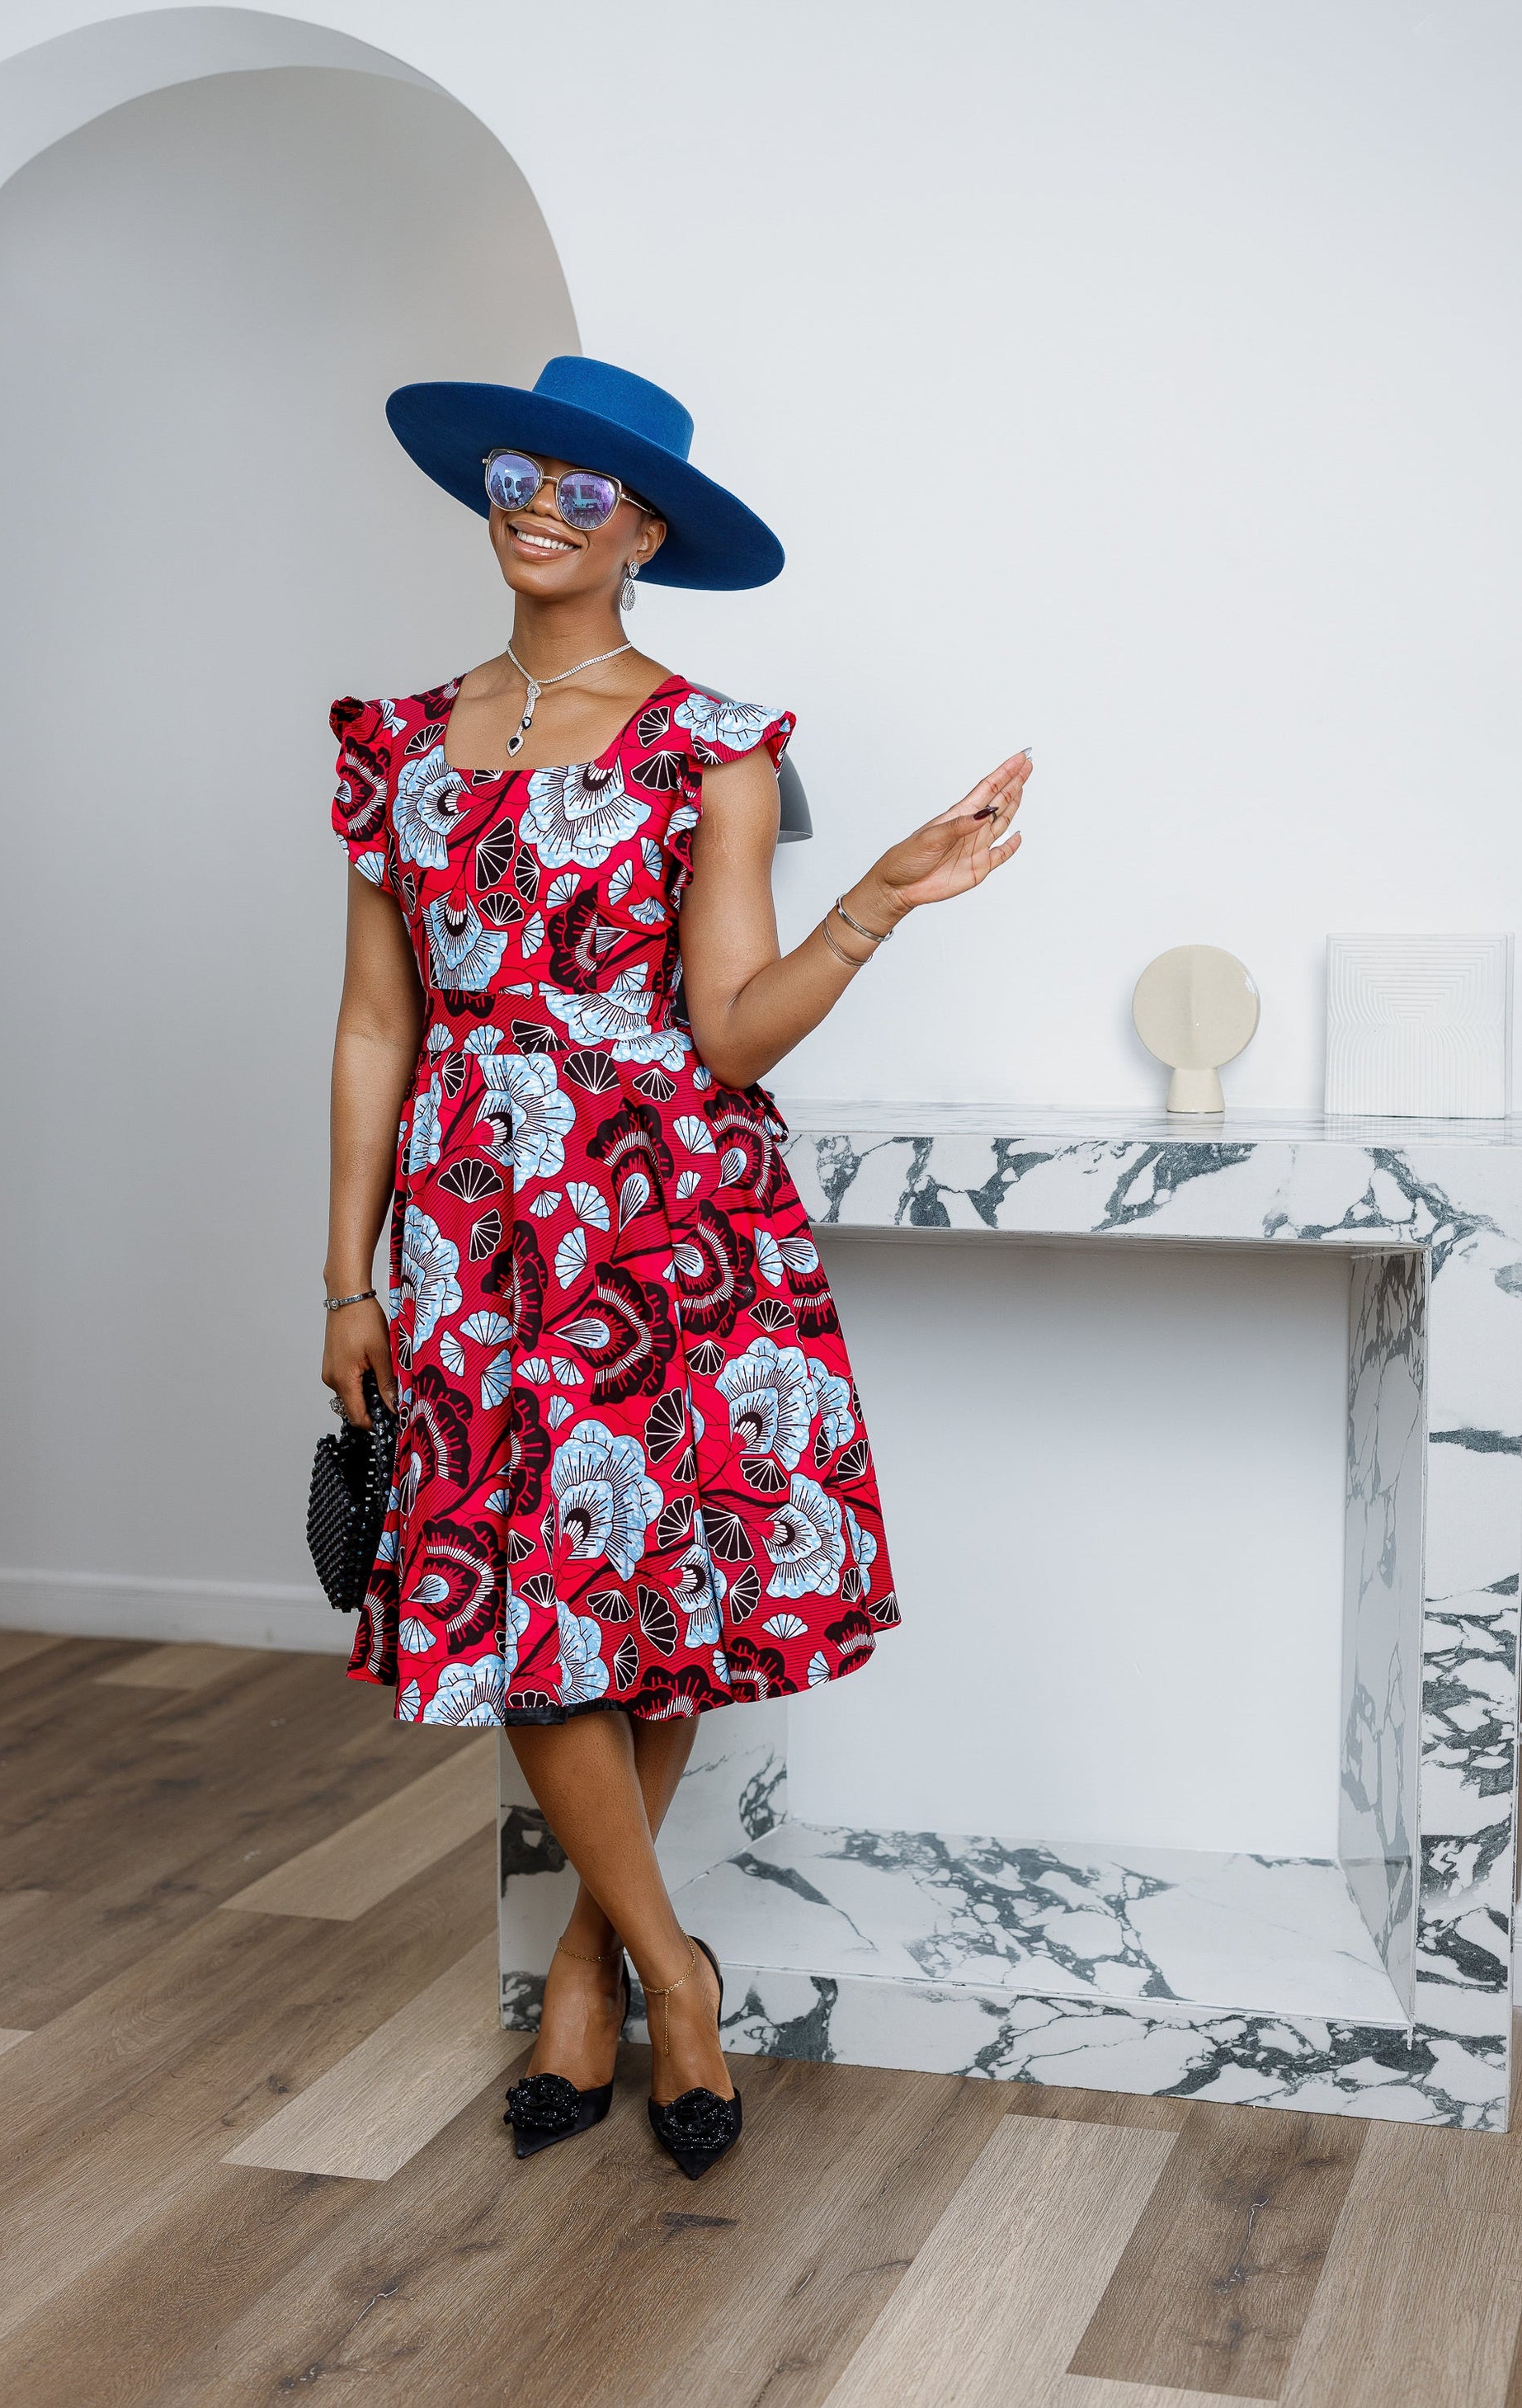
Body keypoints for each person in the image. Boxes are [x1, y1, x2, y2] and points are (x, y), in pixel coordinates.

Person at [321, 356, 1029, 2179]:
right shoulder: (397, 743)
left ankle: (597, 1970)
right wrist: (346, 1278)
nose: (540, 505)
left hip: (665, 1207)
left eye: (586, 487)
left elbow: (728, 1033)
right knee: (527, 1609)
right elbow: (376, 1021)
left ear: (645, 530)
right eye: (518, 473)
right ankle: (674, 1971)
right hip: (469, 1224)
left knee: (640, 1595)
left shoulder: (716, 746)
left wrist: (872, 901)